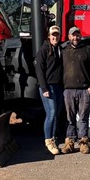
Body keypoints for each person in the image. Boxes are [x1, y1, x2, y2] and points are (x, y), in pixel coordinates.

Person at [61, 26, 90, 154]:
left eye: (77, 35)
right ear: (69, 37)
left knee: (83, 117)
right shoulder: (64, 50)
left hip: (84, 90)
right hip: (68, 90)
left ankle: (84, 143)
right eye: (73, 35)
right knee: (69, 117)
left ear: (80, 36)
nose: (75, 37)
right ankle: (69, 143)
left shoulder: (88, 50)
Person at [34, 25, 64, 155]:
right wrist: (44, 87)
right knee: (51, 113)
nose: (55, 37)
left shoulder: (59, 49)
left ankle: (54, 138)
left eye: (57, 35)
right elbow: (39, 70)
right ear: (49, 36)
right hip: (48, 87)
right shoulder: (43, 50)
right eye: (53, 35)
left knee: (56, 113)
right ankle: (48, 141)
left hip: (58, 86)